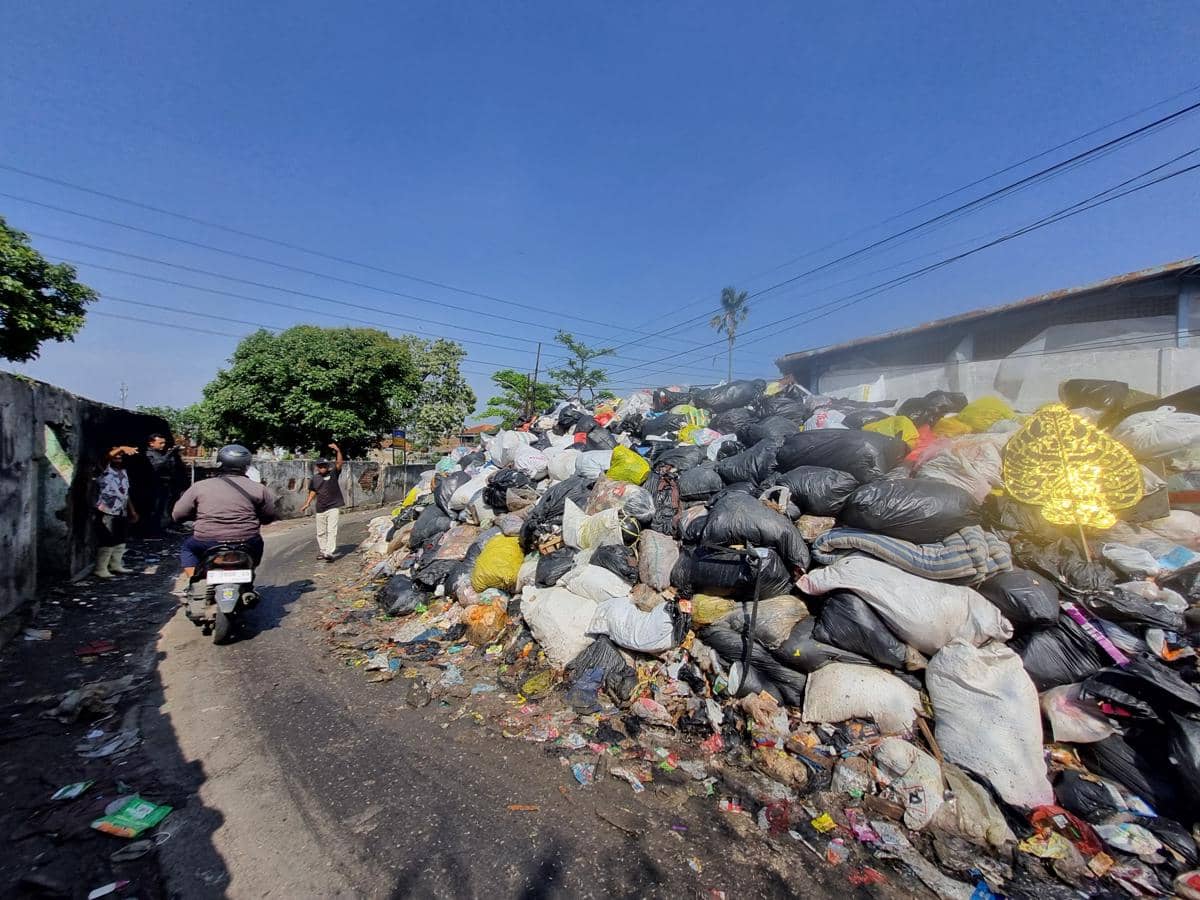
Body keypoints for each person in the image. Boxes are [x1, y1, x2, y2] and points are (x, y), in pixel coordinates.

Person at [172, 444, 276, 585]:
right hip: (246, 540)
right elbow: (269, 515)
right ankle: (249, 571)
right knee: (258, 544)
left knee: (187, 548)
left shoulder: (200, 486)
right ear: (246, 465)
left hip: (207, 540)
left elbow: (178, 514)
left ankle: (193, 582)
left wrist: (191, 518)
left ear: (220, 462)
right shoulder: (259, 488)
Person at [93, 446, 140, 579]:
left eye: (121, 455)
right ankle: (101, 568)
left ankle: (115, 565)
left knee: (120, 537)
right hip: (106, 509)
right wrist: (122, 448)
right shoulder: (104, 469)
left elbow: (126, 493)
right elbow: (106, 457)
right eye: (116, 455)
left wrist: (132, 510)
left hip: (121, 509)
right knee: (107, 538)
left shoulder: (123, 471)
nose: (118, 457)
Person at [300, 443, 344, 560]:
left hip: (333, 507)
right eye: (320, 466)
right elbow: (313, 491)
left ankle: (329, 552)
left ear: (327, 466)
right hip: (320, 508)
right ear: (317, 467)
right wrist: (307, 502)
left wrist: (337, 450)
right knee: (320, 532)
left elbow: (339, 463)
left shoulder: (333, 473)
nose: (322, 467)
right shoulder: (315, 478)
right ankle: (323, 551)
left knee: (331, 530)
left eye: (324, 465)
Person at [145, 432, 184, 533]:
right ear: (151, 443)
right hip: (155, 485)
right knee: (155, 508)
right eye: (160, 443)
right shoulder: (148, 454)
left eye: (164, 443)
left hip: (167, 485)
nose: (163, 445)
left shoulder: (162, 453)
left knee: (166, 507)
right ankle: (152, 530)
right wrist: (169, 454)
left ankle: (165, 527)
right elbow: (156, 466)